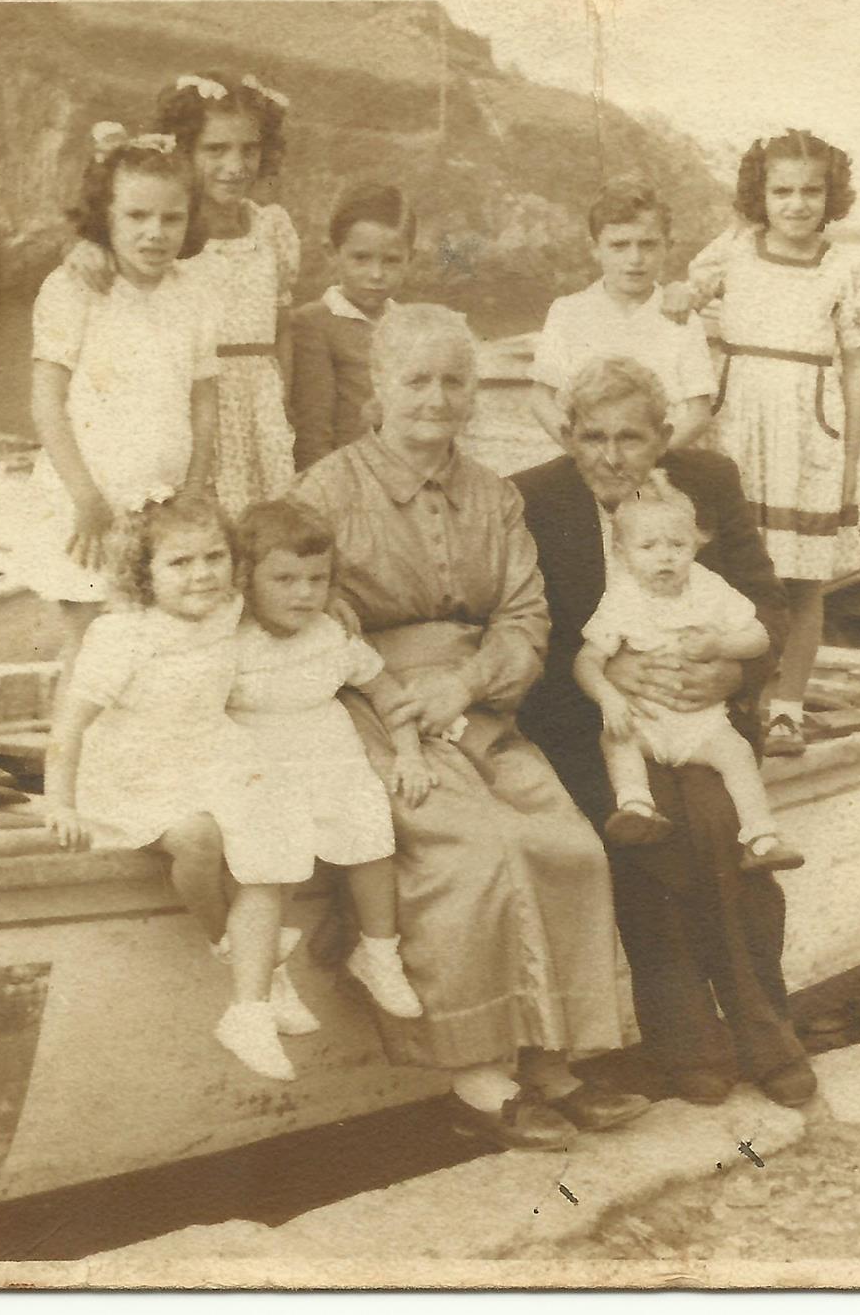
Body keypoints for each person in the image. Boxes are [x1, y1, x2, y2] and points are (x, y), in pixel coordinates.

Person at [291, 303, 650, 1150]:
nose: (436, 397)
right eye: (416, 379)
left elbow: (524, 615)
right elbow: (308, 616)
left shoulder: (494, 495)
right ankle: (479, 1080)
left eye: (455, 380)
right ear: (380, 385)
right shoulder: (325, 491)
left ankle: (553, 1060)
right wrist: (395, 694)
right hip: (371, 708)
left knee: (566, 843)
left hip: (475, 703)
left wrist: (465, 684)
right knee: (473, 851)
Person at [514, 356, 817, 1109]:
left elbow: (768, 606)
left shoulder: (707, 482)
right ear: (568, 436)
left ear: (663, 437)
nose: (610, 456)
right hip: (598, 723)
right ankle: (688, 1042)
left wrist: (732, 672)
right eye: (592, 437)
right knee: (646, 835)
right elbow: (529, 634)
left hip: (703, 713)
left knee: (721, 820)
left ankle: (766, 1032)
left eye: (630, 437)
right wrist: (607, 678)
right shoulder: (534, 500)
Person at [39, 494, 312, 1066]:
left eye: (214, 557)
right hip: (134, 771)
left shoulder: (229, 609)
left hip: (212, 755)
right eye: (180, 563)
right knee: (198, 837)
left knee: (279, 824)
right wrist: (59, 804)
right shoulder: (123, 637)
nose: (202, 574)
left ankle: (250, 1007)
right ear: (144, 575)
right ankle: (233, 945)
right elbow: (69, 726)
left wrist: (337, 614)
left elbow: (292, 598)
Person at [211, 499, 434, 1081]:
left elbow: (386, 690)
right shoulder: (227, 639)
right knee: (269, 855)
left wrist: (408, 751)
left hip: (326, 750)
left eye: (317, 579)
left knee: (370, 831)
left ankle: (378, 953)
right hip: (255, 758)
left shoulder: (331, 634)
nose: (304, 593)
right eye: (284, 579)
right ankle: (265, 983)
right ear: (246, 578)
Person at [676, 129, 860, 757]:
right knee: (725, 566)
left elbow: (857, 367)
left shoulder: (844, 269)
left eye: (811, 191)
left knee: (802, 580)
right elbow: (678, 305)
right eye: (782, 191)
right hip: (738, 425)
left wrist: (851, 456)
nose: (796, 204)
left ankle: (787, 709)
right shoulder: (733, 251)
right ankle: (728, 698)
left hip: (809, 429)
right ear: (759, 195)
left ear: (830, 195)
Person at [14, 124, 221, 676]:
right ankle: (74, 734)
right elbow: (47, 404)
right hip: (90, 499)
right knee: (90, 643)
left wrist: (193, 491)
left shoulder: (195, 295)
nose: (155, 232)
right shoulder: (76, 289)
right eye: (136, 216)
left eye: (172, 218)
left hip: (163, 501)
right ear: (106, 216)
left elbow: (204, 403)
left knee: (154, 635)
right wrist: (85, 498)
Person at [67, 72, 298, 515]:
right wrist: (87, 249)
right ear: (185, 150)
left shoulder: (272, 228)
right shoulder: (167, 235)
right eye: (216, 149)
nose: (236, 165)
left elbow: (282, 327)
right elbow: (110, 253)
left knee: (258, 524)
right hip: (187, 401)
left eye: (249, 149)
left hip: (258, 409)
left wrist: (279, 400)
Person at [573, 465, 802, 874]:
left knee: (736, 754)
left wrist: (722, 645)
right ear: (622, 553)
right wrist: (609, 697)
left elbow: (759, 637)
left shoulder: (710, 589)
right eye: (648, 546)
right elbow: (587, 660)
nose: (665, 556)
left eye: (677, 544)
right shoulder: (622, 598)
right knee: (616, 739)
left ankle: (762, 836)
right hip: (645, 722)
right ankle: (636, 806)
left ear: (696, 544)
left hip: (702, 726)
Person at [528, 177, 716, 449]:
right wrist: (582, 451)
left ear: (667, 246)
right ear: (595, 249)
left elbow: (698, 414)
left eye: (648, 245)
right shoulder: (569, 312)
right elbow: (540, 399)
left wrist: (646, 458)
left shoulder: (680, 317)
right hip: (588, 456)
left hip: (660, 455)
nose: (635, 259)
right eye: (619, 246)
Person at [286, 182, 414, 469]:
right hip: (348, 476)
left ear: (411, 259)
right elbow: (312, 432)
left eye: (392, 261)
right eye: (361, 258)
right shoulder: (313, 324)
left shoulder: (411, 324)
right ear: (331, 253)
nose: (376, 274)